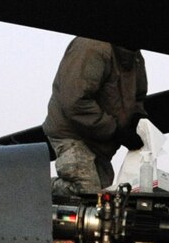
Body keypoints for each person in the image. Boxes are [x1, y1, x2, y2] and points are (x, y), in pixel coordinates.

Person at [44, 37, 147, 199]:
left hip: (102, 143)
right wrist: (115, 130)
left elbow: (138, 97)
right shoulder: (92, 47)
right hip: (73, 135)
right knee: (87, 193)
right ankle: (33, 187)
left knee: (104, 201)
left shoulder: (134, 57)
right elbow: (75, 102)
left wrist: (136, 118)